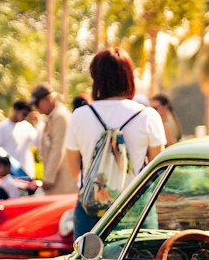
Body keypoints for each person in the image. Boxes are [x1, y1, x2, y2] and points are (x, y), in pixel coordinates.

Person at [64, 47, 166, 239]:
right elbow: (156, 165)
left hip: (91, 209)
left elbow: (73, 167)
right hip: (137, 208)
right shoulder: (147, 116)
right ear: (129, 77)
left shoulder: (80, 115)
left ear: (97, 78)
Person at [30, 84, 75, 195]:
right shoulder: (51, 117)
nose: (36, 107)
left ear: (48, 99)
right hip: (57, 181)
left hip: (63, 183)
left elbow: (57, 150)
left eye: (37, 103)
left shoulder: (60, 117)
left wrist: (48, 179)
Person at [0, 99, 38, 178]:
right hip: (10, 175)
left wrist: (37, 123)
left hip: (27, 172)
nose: (25, 117)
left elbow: (38, 143)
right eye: (24, 114)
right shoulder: (2, 127)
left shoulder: (27, 126)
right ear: (15, 110)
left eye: (27, 115)